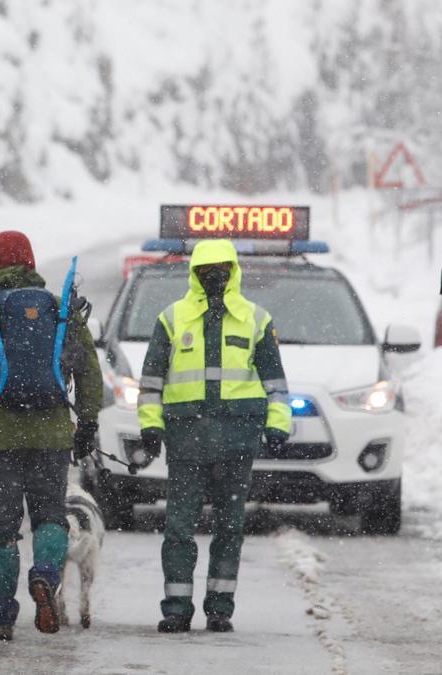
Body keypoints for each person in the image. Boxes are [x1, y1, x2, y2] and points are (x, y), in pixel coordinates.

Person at [0, 231, 102, 641]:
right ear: (29, 261)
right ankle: (44, 576)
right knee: (48, 515)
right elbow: (89, 368)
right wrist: (89, 421)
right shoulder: (59, 308)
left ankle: (1, 615)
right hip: (51, 433)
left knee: (1, 527)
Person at [136, 238, 290, 634]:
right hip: (187, 442)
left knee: (230, 528)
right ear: (194, 273)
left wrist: (278, 424)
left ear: (234, 271)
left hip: (237, 442)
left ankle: (220, 608)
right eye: (206, 270)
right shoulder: (172, 319)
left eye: (222, 268)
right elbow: (151, 381)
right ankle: (176, 608)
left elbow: (276, 384)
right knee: (178, 529)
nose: (214, 276)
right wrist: (151, 426)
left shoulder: (256, 319)